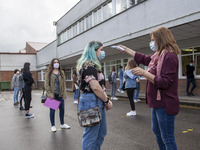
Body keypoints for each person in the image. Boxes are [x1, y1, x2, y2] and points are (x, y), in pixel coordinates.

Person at [113, 27, 180, 150]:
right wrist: (126, 49)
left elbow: (164, 82)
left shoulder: (169, 57)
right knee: (158, 134)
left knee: (167, 138)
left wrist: (144, 73)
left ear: (160, 40)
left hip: (165, 103)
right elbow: (144, 58)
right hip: (157, 103)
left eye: (153, 40)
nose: (152, 43)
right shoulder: (157, 56)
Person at [76, 41, 112, 150]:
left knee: (101, 132)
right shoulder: (88, 65)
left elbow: (100, 86)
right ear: (94, 51)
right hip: (91, 101)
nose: (102, 52)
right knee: (91, 135)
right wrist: (106, 101)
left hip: (96, 100)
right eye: (101, 49)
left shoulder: (94, 65)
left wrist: (106, 100)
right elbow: (95, 87)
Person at [45, 58, 70, 132]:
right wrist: (49, 94)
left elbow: (64, 84)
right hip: (52, 95)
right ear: (52, 64)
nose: (56, 63)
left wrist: (64, 94)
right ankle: (53, 125)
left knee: (62, 109)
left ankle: (62, 124)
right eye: (55, 62)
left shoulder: (61, 72)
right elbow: (46, 84)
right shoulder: (49, 73)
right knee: (52, 111)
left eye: (57, 62)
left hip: (60, 94)